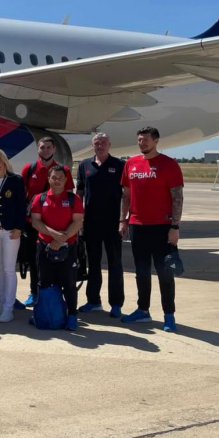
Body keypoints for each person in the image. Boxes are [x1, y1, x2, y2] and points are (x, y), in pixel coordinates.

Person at [119, 126, 184, 332]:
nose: (142, 143)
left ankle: (169, 315)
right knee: (142, 271)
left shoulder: (169, 164)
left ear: (156, 141)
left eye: (146, 140)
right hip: (138, 225)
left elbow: (177, 197)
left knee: (165, 272)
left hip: (162, 227)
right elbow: (126, 196)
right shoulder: (131, 163)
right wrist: (123, 220)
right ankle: (143, 310)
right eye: (139, 140)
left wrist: (175, 226)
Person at [20, 137, 74, 307]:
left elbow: (70, 196)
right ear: (38, 149)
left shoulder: (62, 170)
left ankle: (56, 294)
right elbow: (22, 195)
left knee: (58, 260)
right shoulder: (29, 169)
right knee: (35, 260)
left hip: (56, 225)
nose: (45, 150)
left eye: (48, 147)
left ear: (54, 149)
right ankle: (34, 292)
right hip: (33, 223)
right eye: (42, 147)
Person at [76, 132, 126, 318]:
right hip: (91, 223)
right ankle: (93, 301)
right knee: (93, 263)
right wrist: (78, 219)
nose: (100, 145)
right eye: (97, 143)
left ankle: (116, 304)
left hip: (112, 223)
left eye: (103, 142)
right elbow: (79, 193)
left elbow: (126, 195)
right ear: (93, 145)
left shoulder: (119, 165)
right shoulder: (84, 165)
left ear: (109, 144)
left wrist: (123, 219)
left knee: (115, 264)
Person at [30, 166, 84, 331]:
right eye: (54, 177)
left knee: (69, 283)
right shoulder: (39, 198)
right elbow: (36, 221)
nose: (57, 180)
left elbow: (78, 222)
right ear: (49, 179)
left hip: (68, 248)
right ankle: (47, 315)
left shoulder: (74, 199)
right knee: (45, 284)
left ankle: (72, 316)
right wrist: (54, 236)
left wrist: (62, 239)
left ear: (66, 180)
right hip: (45, 247)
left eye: (61, 177)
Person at [0, 148, 26, 323]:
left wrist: (19, 227)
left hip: (9, 230)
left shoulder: (15, 180)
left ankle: (9, 306)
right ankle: (1, 301)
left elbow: (21, 205)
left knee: (9, 269)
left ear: (4, 161)